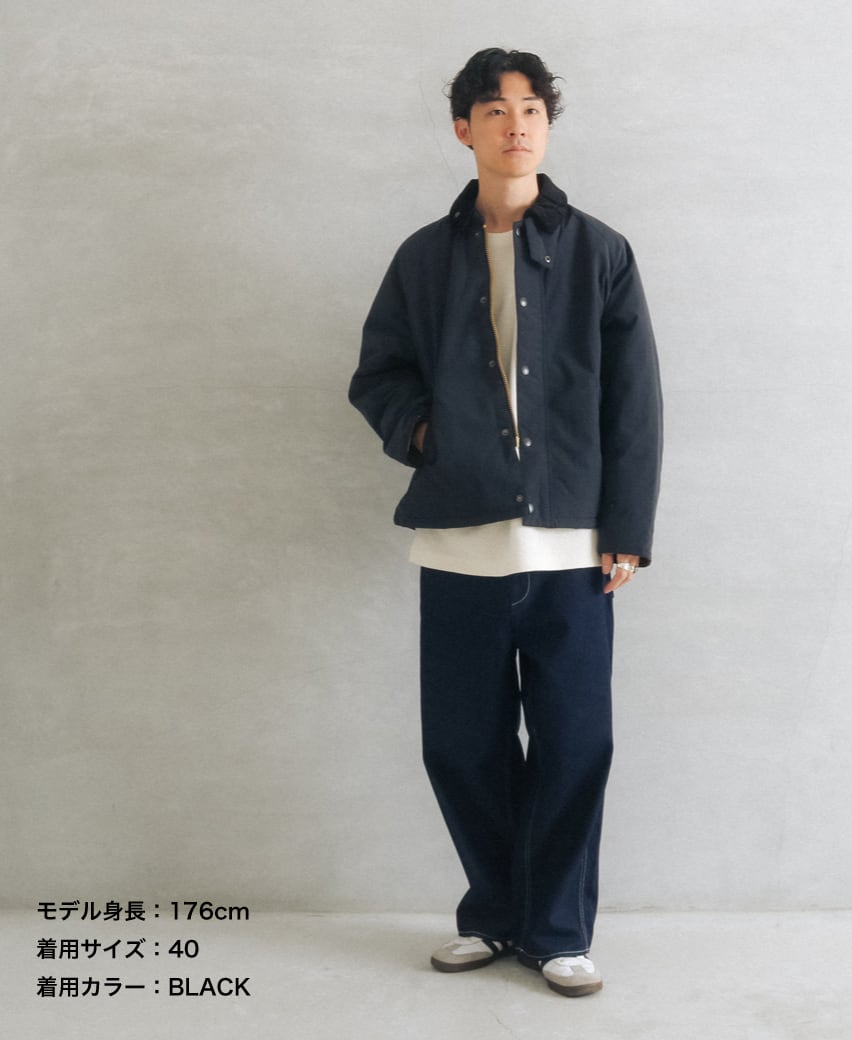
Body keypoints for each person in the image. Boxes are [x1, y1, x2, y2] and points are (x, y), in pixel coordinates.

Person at [349, 47, 662, 997]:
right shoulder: (423, 257)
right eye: (494, 109)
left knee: (574, 744)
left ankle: (557, 931)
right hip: (459, 541)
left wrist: (627, 526)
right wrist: (428, 434)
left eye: (531, 108)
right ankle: (492, 915)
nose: (515, 124)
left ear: (547, 126)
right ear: (464, 129)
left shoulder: (600, 252)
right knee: (461, 745)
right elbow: (378, 373)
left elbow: (635, 402)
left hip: (573, 546)